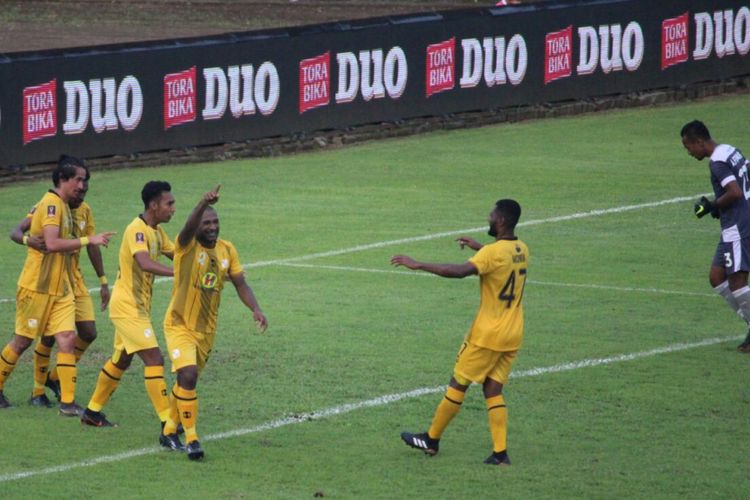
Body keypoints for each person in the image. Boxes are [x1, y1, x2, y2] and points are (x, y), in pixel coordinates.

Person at [391, 199, 528, 466]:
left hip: (487, 335)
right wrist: (479, 248)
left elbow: (459, 271)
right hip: (513, 334)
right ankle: (500, 453)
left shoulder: (492, 254)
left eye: (491, 215)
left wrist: (418, 264)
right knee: (493, 389)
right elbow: (500, 259)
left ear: (500, 221)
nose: (489, 218)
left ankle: (431, 439)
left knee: (458, 384)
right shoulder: (522, 249)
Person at [160, 185, 268, 460]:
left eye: (215, 222)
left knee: (186, 382)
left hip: (206, 330)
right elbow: (186, 228)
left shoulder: (227, 250)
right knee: (188, 375)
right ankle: (193, 438)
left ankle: (169, 430)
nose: (212, 227)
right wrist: (201, 203)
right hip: (179, 324)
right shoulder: (186, 246)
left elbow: (241, 283)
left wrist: (255, 308)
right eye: (206, 222)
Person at [0, 156, 113, 414]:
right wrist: (87, 240)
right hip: (37, 285)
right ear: (63, 179)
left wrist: (103, 278)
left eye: (86, 181)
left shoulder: (74, 208)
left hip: (63, 285)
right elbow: (46, 242)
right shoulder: (50, 204)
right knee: (22, 342)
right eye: (79, 180)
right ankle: (29, 389)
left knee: (67, 337)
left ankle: (67, 403)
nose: (83, 186)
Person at [80, 181, 177, 442]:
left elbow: (178, 254)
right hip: (128, 308)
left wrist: (208, 265)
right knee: (155, 360)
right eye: (169, 203)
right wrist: (178, 273)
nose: (173, 209)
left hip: (138, 306)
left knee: (122, 359)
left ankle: (91, 411)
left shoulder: (157, 231)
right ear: (154, 205)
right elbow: (144, 262)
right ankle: (168, 424)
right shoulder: (136, 230)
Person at [681, 120, 750, 352]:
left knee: (738, 282)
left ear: (699, 142)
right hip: (733, 225)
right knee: (716, 276)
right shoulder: (730, 150)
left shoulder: (717, 162)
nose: (689, 152)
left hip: (738, 228)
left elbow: (734, 192)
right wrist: (720, 208)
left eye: (689, 147)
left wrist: (712, 206)